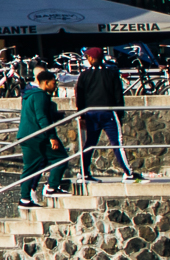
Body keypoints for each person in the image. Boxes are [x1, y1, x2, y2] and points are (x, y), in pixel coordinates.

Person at [72, 46, 136, 181]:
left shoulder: (84, 75)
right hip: (108, 111)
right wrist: (120, 113)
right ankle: (128, 173)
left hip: (90, 113)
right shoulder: (111, 73)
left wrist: (81, 115)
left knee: (90, 143)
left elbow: (80, 96)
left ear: (91, 58)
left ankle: (83, 172)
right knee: (117, 143)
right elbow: (118, 94)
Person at [16, 68, 68, 207]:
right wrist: (52, 136)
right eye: (53, 83)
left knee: (30, 167)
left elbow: (36, 113)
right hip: (38, 136)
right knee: (61, 158)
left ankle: (25, 199)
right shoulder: (41, 95)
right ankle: (51, 187)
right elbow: (41, 117)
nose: (55, 86)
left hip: (26, 136)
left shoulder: (28, 95)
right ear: (46, 82)